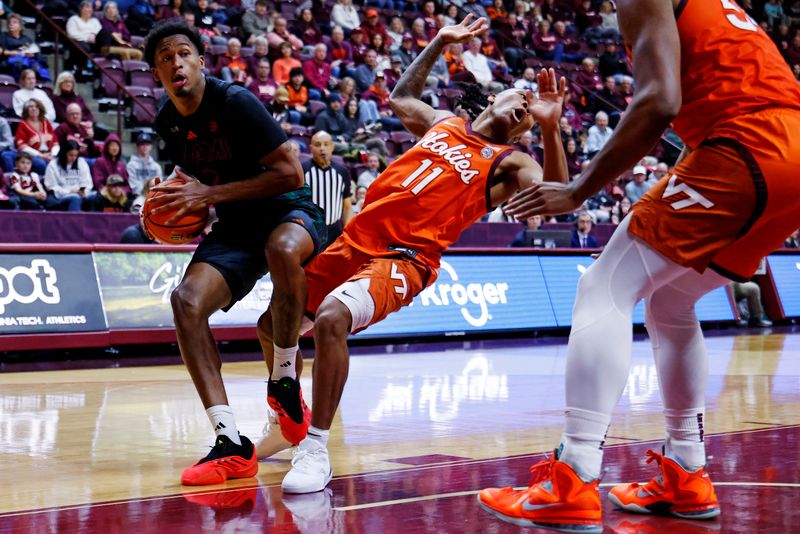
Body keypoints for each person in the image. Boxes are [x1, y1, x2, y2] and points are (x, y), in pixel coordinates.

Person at [478, 0, 800, 530]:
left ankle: (572, 477)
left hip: (748, 145)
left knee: (603, 288)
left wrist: (579, 189)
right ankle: (686, 472)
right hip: (784, 158)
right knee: (671, 301)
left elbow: (659, 102)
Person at [255, 15, 569, 493]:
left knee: (331, 320)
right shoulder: (445, 123)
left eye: (530, 115)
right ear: (493, 96)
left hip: (405, 257)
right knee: (270, 326)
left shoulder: (513, 160)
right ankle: (286, 416)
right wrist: (439, 41)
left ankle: (315, 448)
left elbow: (561, 192)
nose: (527, 109)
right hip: (352, 239)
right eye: (524, 100)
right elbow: (401, 96)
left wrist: (550, 129)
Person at [142, 18, 326, 487]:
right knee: (185, 302)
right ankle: (229, 441)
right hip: (236, 225)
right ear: (157, 75)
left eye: (183, 53)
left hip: (287, 210)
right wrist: (172, 196)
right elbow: (196, 178)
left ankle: (283, 381)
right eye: (165, 59)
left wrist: (207, 196)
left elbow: (291, 173)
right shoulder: (167, 120)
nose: (176, 63)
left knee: (283, 250)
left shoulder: (236, 101)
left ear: (201, 61)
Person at [302, 131, 353, 247]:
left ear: (332, 147)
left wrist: (347, 232)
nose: (322, 149)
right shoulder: (302, 170)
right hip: (309, 230)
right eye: (318, 144)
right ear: (311, 148)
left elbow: (347, 206)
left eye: (326, 144)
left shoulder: (342, 172)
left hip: (334, 231)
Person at [43, 140, 94, 211]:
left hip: (81, 194)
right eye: (71, 155)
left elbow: (87, 183)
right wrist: (69, 191)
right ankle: (75, 222)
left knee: (97, 196)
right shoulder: (53, 165)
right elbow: (51, 186)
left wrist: (84, 192)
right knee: (75, 198)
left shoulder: (81, 162)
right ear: (64, 153)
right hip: (62, 195)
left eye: (76, 155)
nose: (73, 158)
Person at [15, 98, 57, 175]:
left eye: (37, 106)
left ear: (40, 109)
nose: (34, 108)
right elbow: (22, 146)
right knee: (41, 164)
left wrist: (53, 155)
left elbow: (55, 143)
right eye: (31, 106)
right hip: (32, 156)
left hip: (49, 154)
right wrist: (40, 155)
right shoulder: (23, 124)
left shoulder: (46, 122)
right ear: (26, 110)